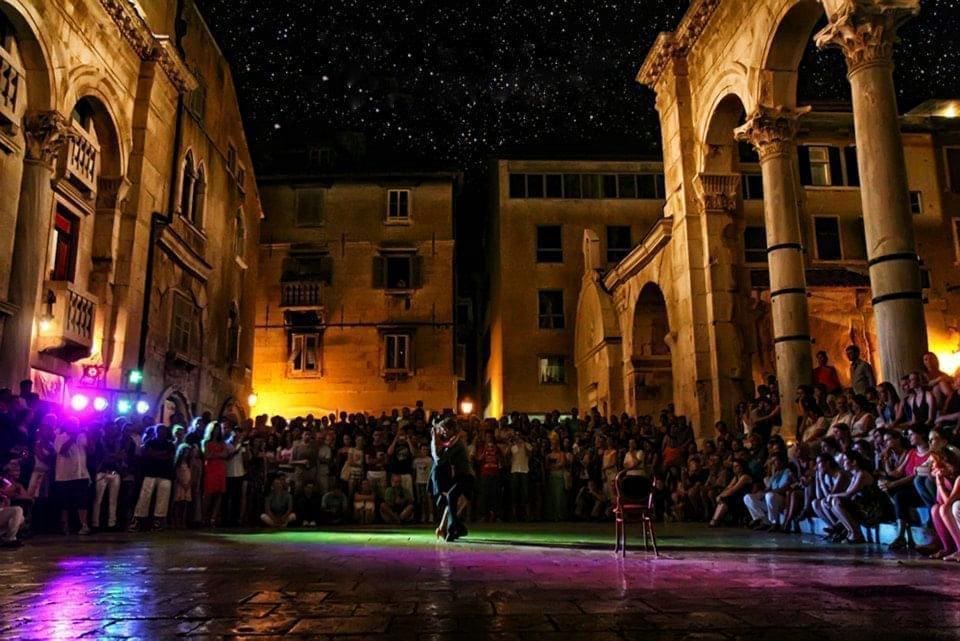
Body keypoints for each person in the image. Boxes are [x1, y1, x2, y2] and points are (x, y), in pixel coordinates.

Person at [430, 417, 475, 541]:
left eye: (445, 429)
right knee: (452, 502)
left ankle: (452, 528)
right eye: (442, 430)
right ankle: (456, 528)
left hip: (467, 476)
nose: (443, 432)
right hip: (460, 477)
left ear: (451, 429)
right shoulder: (451, 442)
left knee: (452, 498)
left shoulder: (457, 442)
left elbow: (439, 459)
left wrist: (435, 438)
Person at [129, 424, 176, 532]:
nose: (161, 433)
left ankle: (158, 521)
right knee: (144, 497)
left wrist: (155, 454)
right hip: (150, 473)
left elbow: (168, 456)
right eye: (159, 430)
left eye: (163, 431)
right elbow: (148, 454)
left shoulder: (169, 444)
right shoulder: (149, 442)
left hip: (165, 474)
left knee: (163, 498)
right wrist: (161, 454)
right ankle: (138, 519)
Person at [54, 417, 91, 535]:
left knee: (82, 501)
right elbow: (61, 451)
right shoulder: (60, 437)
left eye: (77, 424)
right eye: (73, 424)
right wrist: (72, 438)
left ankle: (83, 525)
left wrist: (89, 436)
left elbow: (90, 449)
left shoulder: (81, 436)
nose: (75, 426)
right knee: (65, 503)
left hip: (81, 474)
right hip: (64, 476)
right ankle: (64, 526)